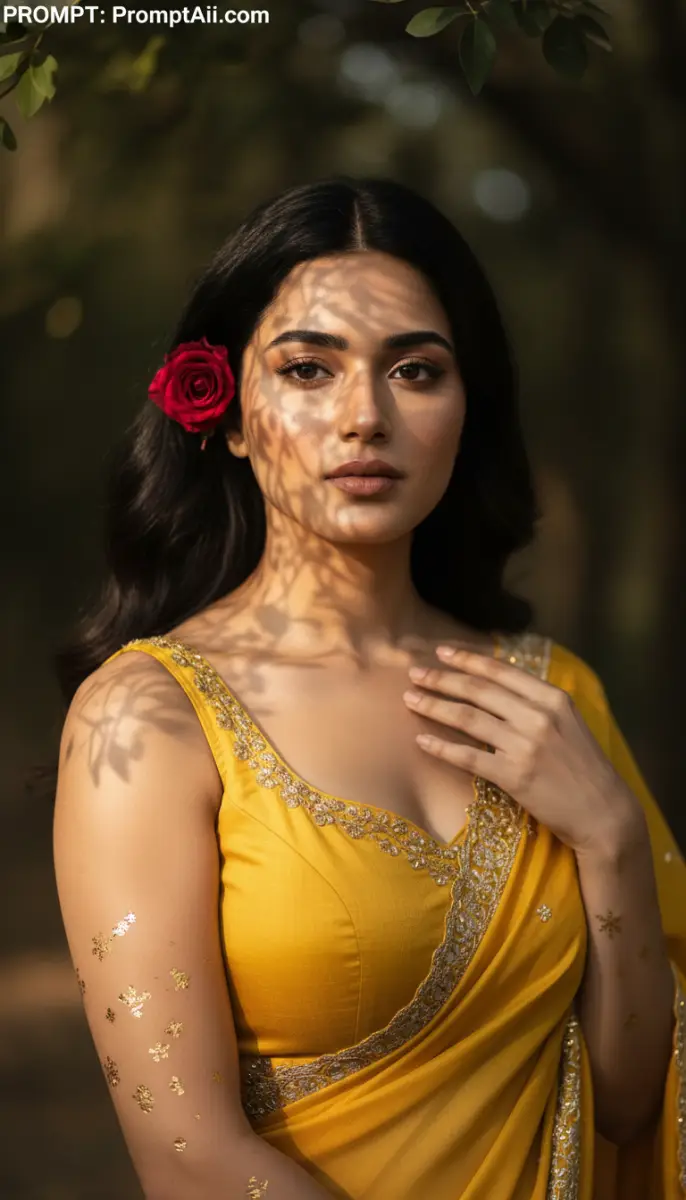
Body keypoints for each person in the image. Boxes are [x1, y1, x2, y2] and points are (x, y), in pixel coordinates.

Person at [52, 177, 686, 1200]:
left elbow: (624, 1106)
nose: (364, 417)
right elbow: (188, 1158)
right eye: (308, 369)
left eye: (416, 372)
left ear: (464, 408)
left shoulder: (550, 695)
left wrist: (609, 840)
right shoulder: (150, 720)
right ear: (225, 414)